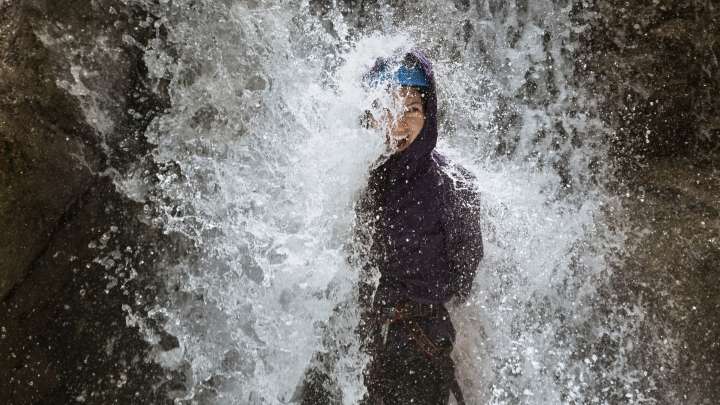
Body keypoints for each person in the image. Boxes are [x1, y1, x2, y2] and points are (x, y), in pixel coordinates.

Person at [355, 50, 484, 405]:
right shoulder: (351, 176)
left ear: (429, 115)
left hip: (419, 341)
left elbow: (464, 271)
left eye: (411, 109)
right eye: (387, 109)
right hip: (355, 339)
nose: (398, 124)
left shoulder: (452, 185)